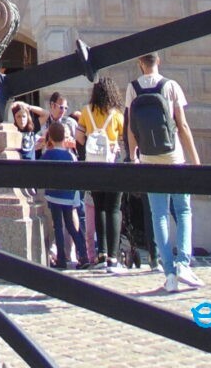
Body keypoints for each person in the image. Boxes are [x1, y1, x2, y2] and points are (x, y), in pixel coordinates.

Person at [125, 51, 202, 294]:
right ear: (158, 61)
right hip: (173, 156)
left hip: (148, 157)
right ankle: (183, 264)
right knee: (183, 209)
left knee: (158, 214)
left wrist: (132, 156)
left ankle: (168, 272)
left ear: (140, 63)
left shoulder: (132, 87)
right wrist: (195, 160)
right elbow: (183, 126)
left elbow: (130, 128)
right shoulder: (171, 86)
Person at [75, 77, 127, 274]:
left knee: (99, 209)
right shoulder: (116, 114)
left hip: (94, 164)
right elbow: (125, 137)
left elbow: (79, 136)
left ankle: (102, 254)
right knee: (113, 209)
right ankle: (113, 258)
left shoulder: (86, 111)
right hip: (112, 165)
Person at [42, 121, 90, 270]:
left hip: (54, 195)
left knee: (58, 226)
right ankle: (83, 254)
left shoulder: (48, 154)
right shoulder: (69, 156)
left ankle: (62, 258)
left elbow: (39, 170)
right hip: (67, 196)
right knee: (70, 225)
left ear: (50, 137)